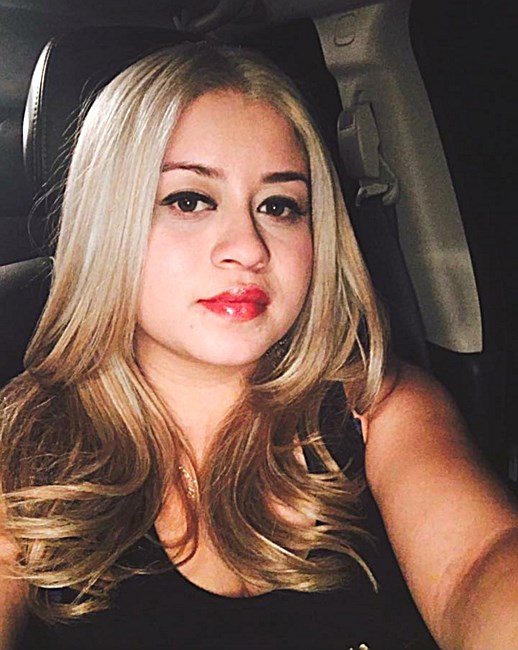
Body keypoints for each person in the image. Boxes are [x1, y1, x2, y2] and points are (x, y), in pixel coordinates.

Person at [1, 41, 517, 650]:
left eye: (279, 206)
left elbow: (476, 564)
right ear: (108, 222)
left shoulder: (380, 408)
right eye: (189, 200)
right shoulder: (23, 444)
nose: (248, 248)